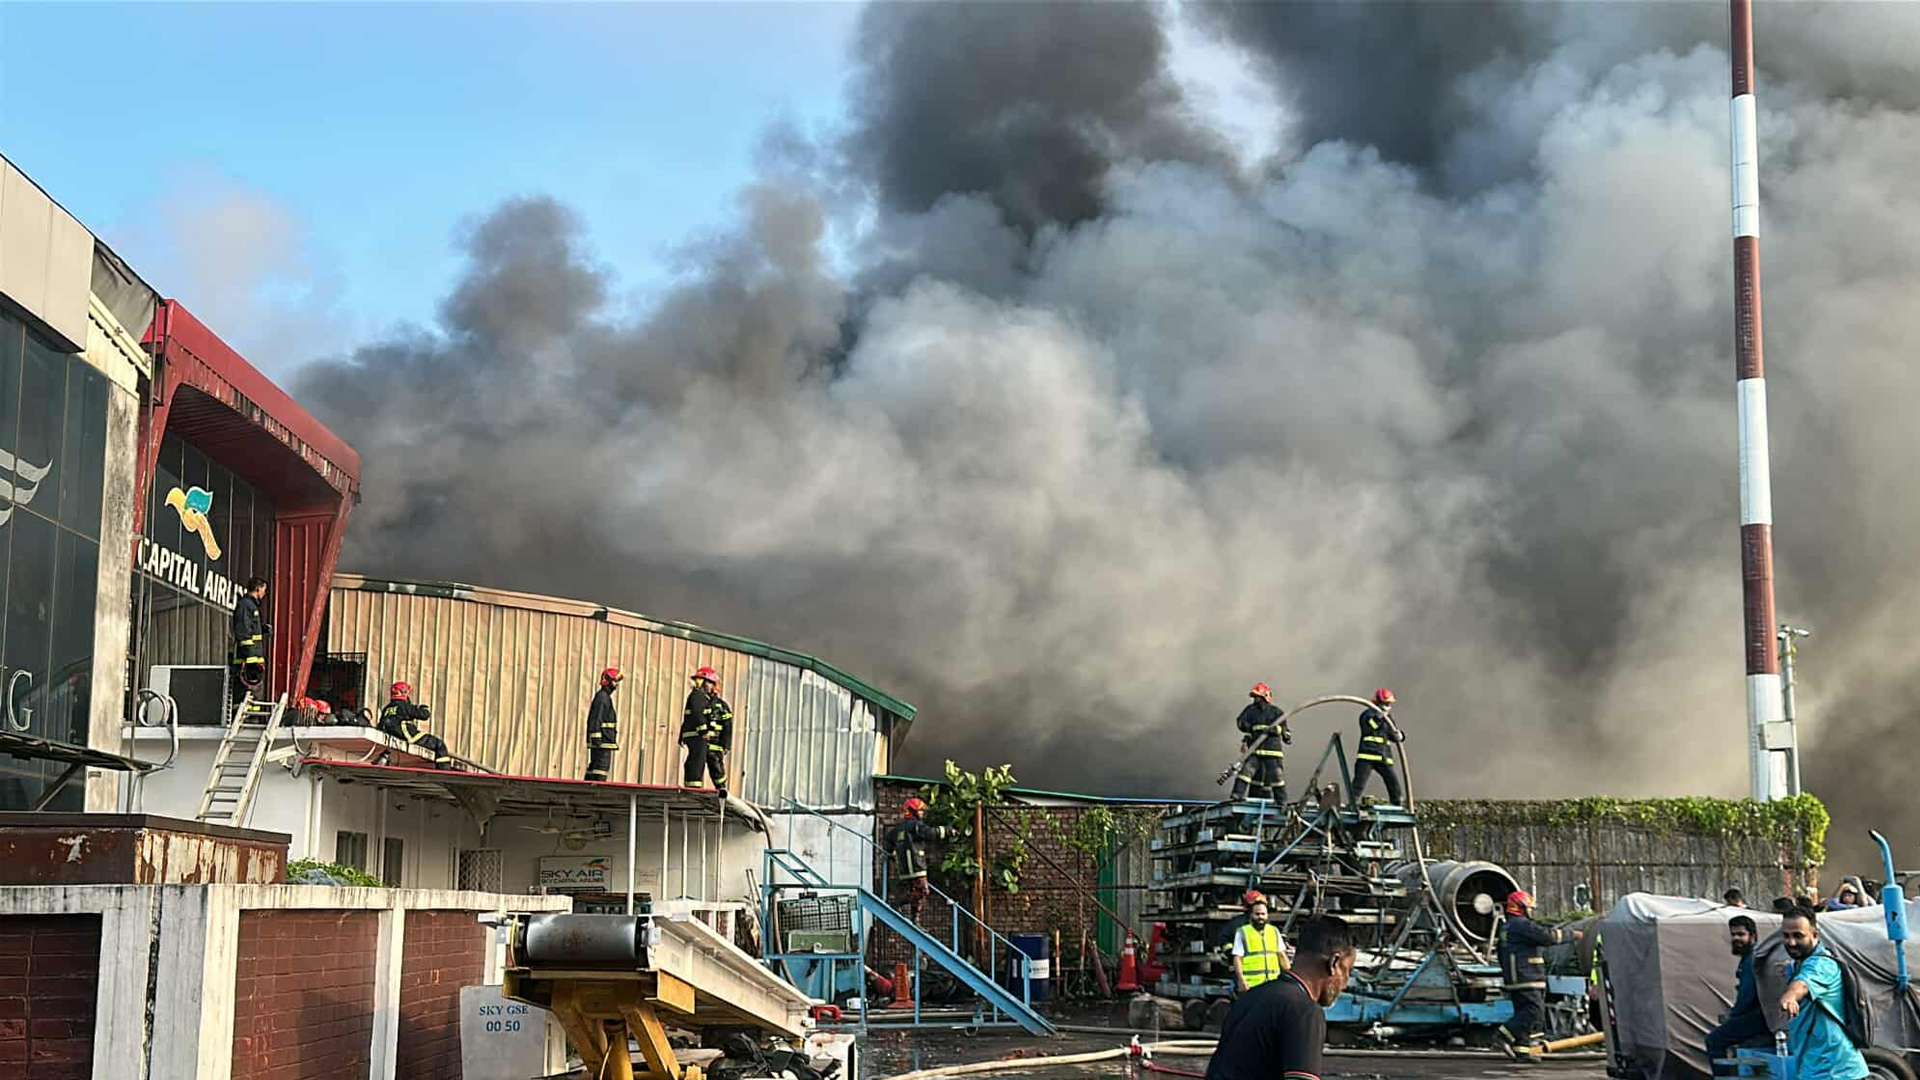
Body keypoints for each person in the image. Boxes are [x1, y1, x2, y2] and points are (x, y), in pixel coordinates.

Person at [1205, 915, 1356, 1080]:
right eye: (1347, 971)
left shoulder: (1249, 999)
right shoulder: (1304, 1011)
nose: (1344, 985)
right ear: (1334, 963)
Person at [1778, 906, 1869, 1080]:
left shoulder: (1821, 966)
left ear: (1814, 935)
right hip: (1815, 1067)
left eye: (1798, 935)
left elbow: (1802, 985)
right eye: (1786, 935)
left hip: (1834, 1071)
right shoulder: (1800, 963)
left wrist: (1789, 996)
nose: (1791, 942)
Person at [1498, 889, 1583, 1048]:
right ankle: (1503, 1035)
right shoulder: (1521, 925)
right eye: (1529, 908)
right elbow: (1547, 936)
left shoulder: (1507, 927)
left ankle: (1522, 1049)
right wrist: (1573, 935)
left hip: (1517, 977)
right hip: (1527, 977)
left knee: (1523, 1012)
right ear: (1520, 907)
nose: (1531, 911)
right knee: (1533, 1011)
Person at [1706, 915, 1770, 1068]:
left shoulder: (1751, 959)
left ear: (1752, 936)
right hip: (1759, 1015)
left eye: (1741, 934)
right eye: (1733, 934)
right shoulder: (1750, 956)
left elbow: (1747, 996)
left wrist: (1733, 1016)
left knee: (1714, 1040)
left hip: (1757, 1016)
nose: (1736, 938)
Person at [883, 797, 949, 921]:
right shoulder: (915, 825)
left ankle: (915, 919)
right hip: (916, 866)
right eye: (920, 810)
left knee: (916, 892)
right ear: (912, 811)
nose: (922, 813)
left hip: (904, 869)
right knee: (923, 891)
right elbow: (929, 833)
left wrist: (891, 852)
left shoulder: (899, 828)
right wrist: (947, 830)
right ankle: (896, 903)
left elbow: (888, 840)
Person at [1231, 683, 1290, 802]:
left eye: (1257, 697)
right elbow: (1240, 722)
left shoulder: (1276, 712)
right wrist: (1246, 727)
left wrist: (1275, 730)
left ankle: (1281, 800)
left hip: (1272, 751)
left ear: (1265, 697)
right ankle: (1237, 794)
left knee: (1276, 776)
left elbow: (1284, 731)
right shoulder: (1250, 710)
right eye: (1254, 697)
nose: (1255, 699)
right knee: (1246, 772)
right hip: (1255, 749)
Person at [680, 666, 734, 797]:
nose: (711, 688)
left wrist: (725, 744)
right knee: (697, 761)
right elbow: (697, 715)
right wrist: (704, 731)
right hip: (700, 736)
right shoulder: (698, 696)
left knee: (715, 765)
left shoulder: (712, 702)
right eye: (710, 683)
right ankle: (694, 789)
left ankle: (721, 789)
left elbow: (727, 726)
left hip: (711, 741)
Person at [1349, 687, 1405, 806]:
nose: (1388, 707)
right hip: (1367, 756)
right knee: (1358, 784)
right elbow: (1370, 728)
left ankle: (1398, 805)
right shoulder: (1367, 715)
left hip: (1383, 757)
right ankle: (1352, 805)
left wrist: (1400, 736)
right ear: (1379, 702)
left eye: (1389, 704)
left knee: (1393, 784)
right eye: (1387, 704)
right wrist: (1379, 717)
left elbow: (1392, 734)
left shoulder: (1388, 718)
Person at [378, 682, 453, 769]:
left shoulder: (386, 709)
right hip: (409, 736)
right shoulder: (405, 706)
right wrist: (424, 708)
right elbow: (424, 715)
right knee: (439, 744)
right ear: (403, 693)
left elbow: (380, 726)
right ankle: (444, 771)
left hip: (393, 738)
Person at [1232, 892, 1289, 993]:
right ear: (1251, 915)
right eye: (1257, 914)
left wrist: (1289, 977)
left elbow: (1281, 955)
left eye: (1263, 914)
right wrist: (1241, 980)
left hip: (1273, 984)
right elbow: (1237, 958)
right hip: (1252, 986)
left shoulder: (1274, 931)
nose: (1260, 917)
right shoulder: (1243, 932)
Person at [230, 576, 270, 700]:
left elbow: (250, 630)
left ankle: (253, 719)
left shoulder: (250, 606)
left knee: (253, 696)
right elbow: (243, 632)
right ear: (258, 589)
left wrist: (262, 628)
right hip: (247, 662)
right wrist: (250, 658)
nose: (264, 593)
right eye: (263, 590)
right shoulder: (245, 606)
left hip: (252, 662)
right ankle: (246, 718)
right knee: (244, 695)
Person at [583, 668, 622, 781]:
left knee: (595, 768)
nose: (616, 685)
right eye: (615, 681)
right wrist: (597, 739)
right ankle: (596, 792)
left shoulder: (604, 697)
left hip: (603, 742)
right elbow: (596, 719)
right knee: (600, 769)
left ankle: (589, 790)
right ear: (607, 681)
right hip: (602, 743)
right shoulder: (602, 698)